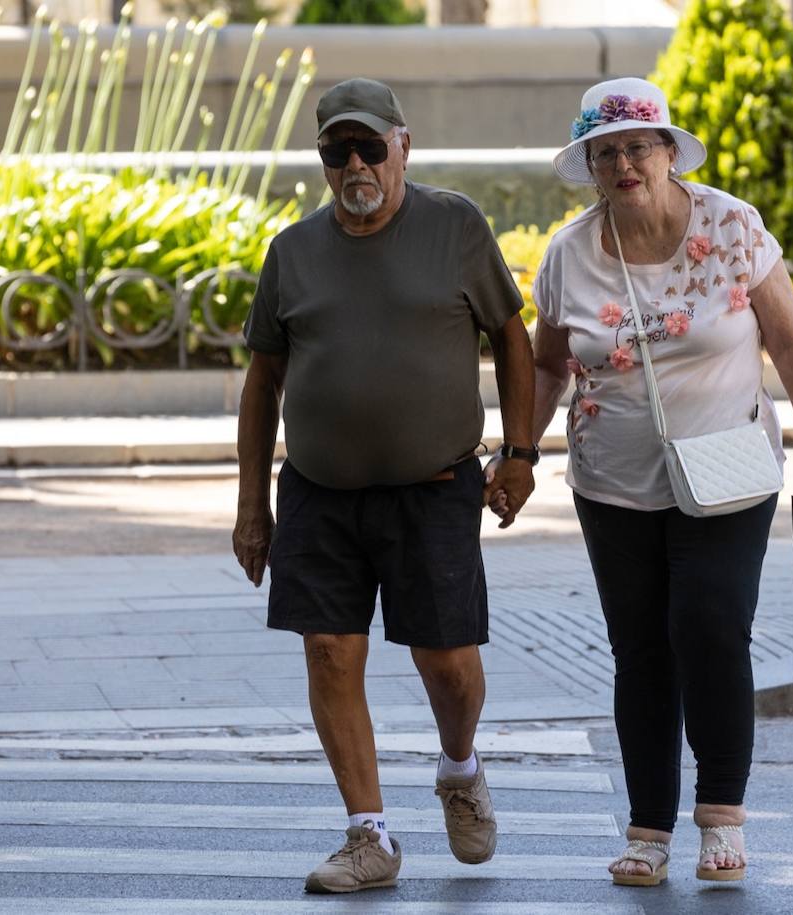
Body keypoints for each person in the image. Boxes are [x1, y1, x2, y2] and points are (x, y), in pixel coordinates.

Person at [510, 77, 793, 886]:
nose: (624, 163)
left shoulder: (731, 226)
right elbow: (548, 364)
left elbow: (792, 347)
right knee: (641, 649)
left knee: (709, 622)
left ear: (668, 152)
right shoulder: (569, 253)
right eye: (606, 151)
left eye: (637, 146)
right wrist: (517, 450)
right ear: (590, 166)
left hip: (726, 464)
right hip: (612, 479)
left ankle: (722, 813)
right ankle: (648, 827)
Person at [232, 77, 537, 894]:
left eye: (371, 146)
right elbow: (262, 382)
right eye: (339, 150)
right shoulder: (292, 252)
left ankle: (459, 766)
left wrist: (520, 451)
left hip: (433, 487)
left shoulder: (455, 227)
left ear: (404, 145)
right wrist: (251, 506)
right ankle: (368, 834)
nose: (356, 163)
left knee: (449, 665)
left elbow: (513, 338)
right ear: (323, 159)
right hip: (317, 491)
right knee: (331, 652)